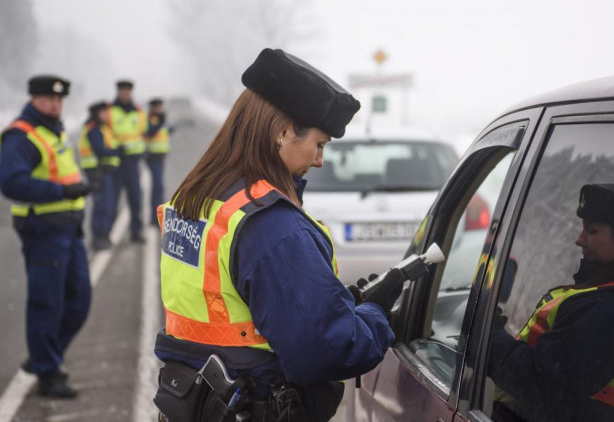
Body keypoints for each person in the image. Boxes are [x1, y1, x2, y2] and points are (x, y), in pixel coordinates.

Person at [152, 48, 403, 422]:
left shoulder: (200, 196)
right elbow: (330, 350)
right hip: (254, 404)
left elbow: (237, 306)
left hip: (193, 400)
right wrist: (374, 314)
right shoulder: (272, 226)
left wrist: (338, 304)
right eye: (318, 144)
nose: (319, 160)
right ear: (283, 130)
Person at [488, 183, 614, 422]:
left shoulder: (612, 310)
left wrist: (490, 338)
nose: (579, 239)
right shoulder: (602, 293)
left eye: (591, 231)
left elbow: (546, 385)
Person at [0, 75, 93, 398]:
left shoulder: (54, 129)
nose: (54, 104)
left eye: (58, 99)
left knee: (79, 300)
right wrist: (62, 191)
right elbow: (11, 183)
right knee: (47, 304)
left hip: (69, 229)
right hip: (43, 232)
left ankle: (43, 356)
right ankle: (47, 371)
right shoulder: (21, 136)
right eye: (47, 98)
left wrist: (77, 188)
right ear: (33, 99)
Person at [78, 101, 123, 250]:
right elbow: (101, 151)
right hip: (97, 172)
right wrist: (118, 151)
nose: (107, 115)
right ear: (97, 113)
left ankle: (103, 236)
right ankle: (98, 239)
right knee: (102, 206)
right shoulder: (93, 129)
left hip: (104, 172)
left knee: (107, 205)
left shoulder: (102, 128)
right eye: (104, 112)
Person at [108, 79, 147, 242]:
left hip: (132, 162)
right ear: (118, 92)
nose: (125, 94)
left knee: (135, 198)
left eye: (127, 91)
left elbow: (143, 132)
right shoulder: (109, 111)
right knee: (112, 199)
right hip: (116, 162)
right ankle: (106, 234)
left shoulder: (138, 112)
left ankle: (136, 232)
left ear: (131, 92)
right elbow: (106, 132)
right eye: (122, 91)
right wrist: (115, 148)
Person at [143, 97, 170, 226]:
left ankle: (157, 215)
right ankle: (155, 217)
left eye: (160, 106)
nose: (158, 109)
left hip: (160, 156)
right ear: (152, 108)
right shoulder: (150, 119)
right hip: (152, 156)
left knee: (159, 187)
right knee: (157, 187)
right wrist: (160, 123)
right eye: (156, 107)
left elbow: (161, 134)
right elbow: (149, 133)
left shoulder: (161, 119)